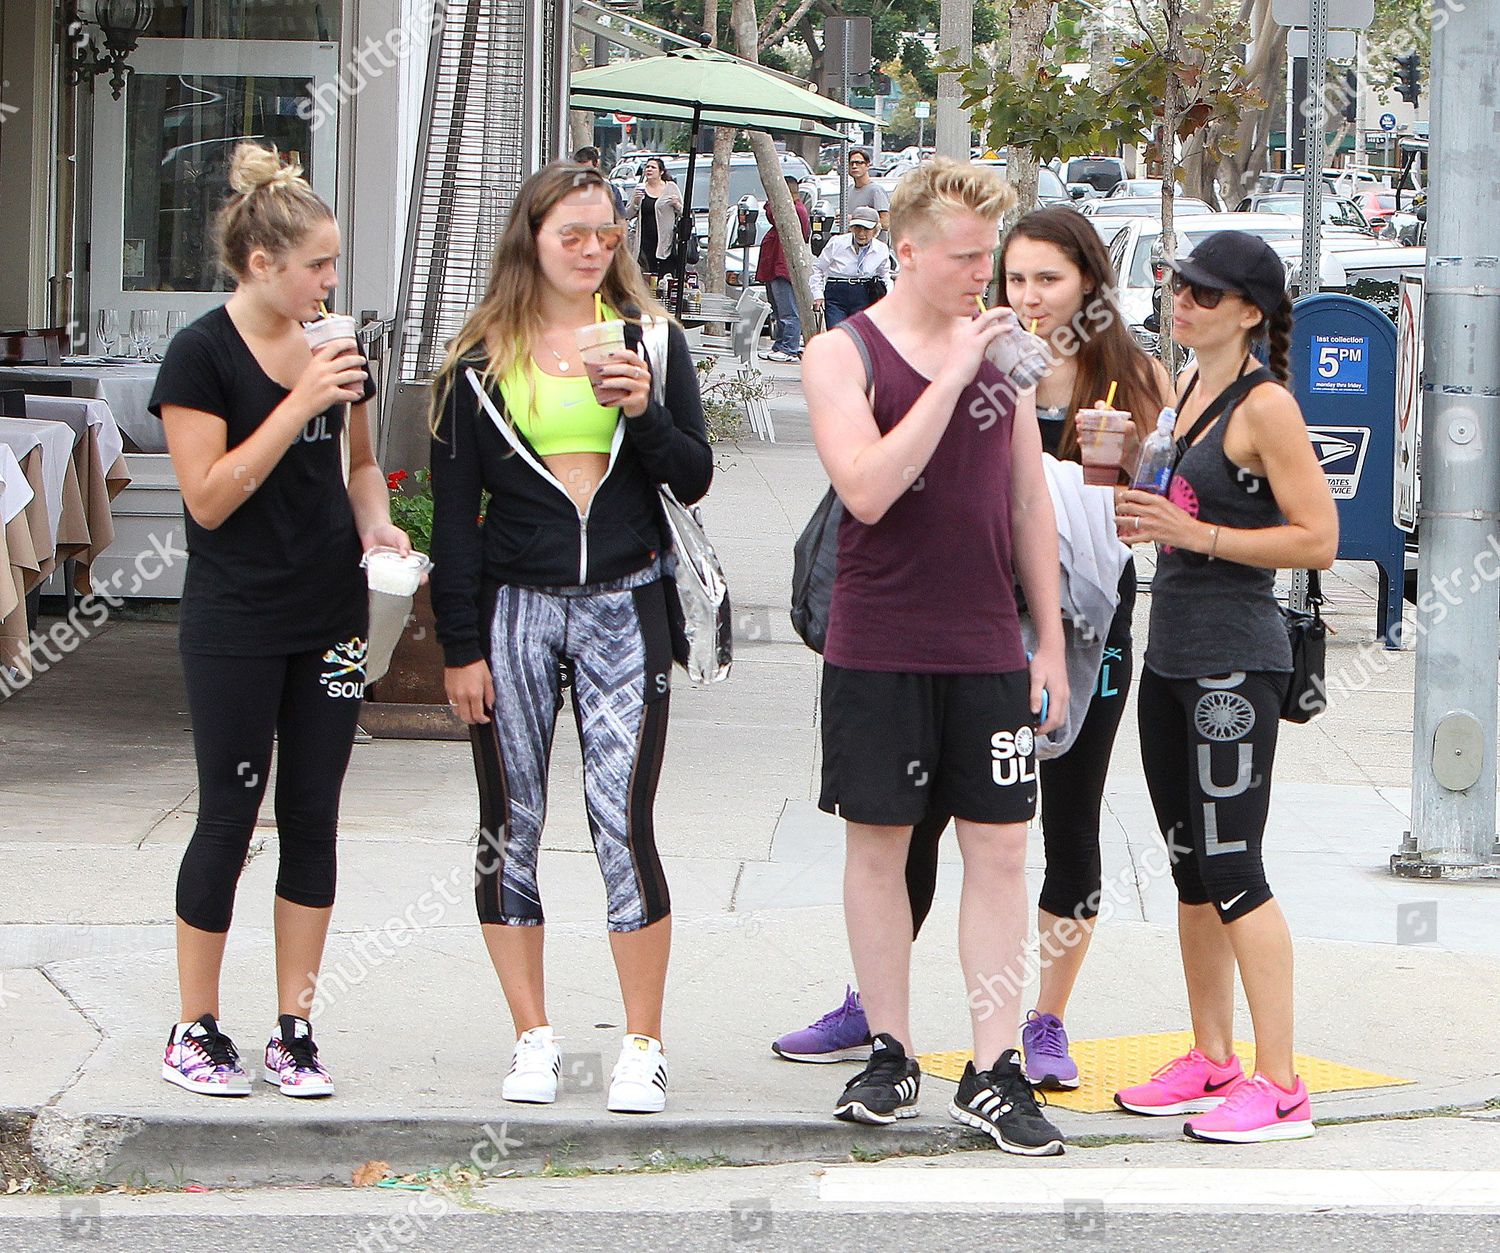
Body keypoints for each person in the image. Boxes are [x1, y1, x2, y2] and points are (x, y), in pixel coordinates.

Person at [774, 206, 1172, 1093]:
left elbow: (1090, 499)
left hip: (1076, 619)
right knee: (897, 833)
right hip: (931, 623)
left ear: (1090, 287)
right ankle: (882, 1020)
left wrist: (1135, 491)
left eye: (1044, 279)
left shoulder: (1125, 373)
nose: (1021, 295)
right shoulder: (940, 352)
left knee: (1044, 831)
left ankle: (1038, 1023)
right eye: (1007, 276)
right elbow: (875, 487)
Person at [428, 162, 712, 1116]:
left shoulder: (656, 343)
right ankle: (532, 1035)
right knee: (508, 823)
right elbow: (454, 521)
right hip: (515, 604)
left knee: (620, 822)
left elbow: (695, 473)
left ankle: (643, 1041)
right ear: (532, 239)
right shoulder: (477, 360)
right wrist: (458, 647)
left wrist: (645, 407)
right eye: (573, 236)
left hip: (626, 601)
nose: (593, 251)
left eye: (607, 234)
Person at [801, 157, 1071, 1156]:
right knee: (879, 844)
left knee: (1000, 846)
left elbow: (1025, 500)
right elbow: (868, 487)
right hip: (877, 641)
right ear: (904, 251)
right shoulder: (844, 353)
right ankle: (889, 1044)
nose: (982, 277)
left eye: (988, 257)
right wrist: (957, 371)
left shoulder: (1006, 350)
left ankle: (994, 1065)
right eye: (964, 258)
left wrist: (1047, 637)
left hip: (982, 641)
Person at [151, 143, 410, 1099]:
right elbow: (210, 497)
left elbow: (356, 466)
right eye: (317, 265)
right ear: (262, 263)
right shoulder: (202, 354)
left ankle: (294, 1026)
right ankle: (195, 1025)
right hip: (236, 618)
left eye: (335, 263)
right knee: (229, 813)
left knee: (312, 815)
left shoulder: (338, 348)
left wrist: (378, 522)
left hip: (333, 618)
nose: (330, 281)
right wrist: (296, 395)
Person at [1112, 231, 1337, 1143]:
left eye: (1205, 293)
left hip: (1235, 662)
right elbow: (1183, 508)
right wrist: (1148, 516)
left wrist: (1195, 536)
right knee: (1190, 869)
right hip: (1169, 655)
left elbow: (1317, 538)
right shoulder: (1186, 387)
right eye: (1177, 287)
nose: (1184, 302)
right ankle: (1212, 1055)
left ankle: (1282, 1085)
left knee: (1236, 866)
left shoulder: (1266, 405)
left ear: (1249, 310)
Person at [755, 175, 812, 363]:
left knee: (788, 310)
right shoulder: (786, 209)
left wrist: (773, 202)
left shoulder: (796, 211)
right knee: (777, 310)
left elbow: (774, 215)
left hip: (784, 266)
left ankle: (790, 347)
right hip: (773, 266)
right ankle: (780, 344)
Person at [810, 206, 892, 330]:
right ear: (852, 228)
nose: (861, 233)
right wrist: (818, 295)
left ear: (875, 230)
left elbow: (884, 275)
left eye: (866, 229)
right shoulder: (837, 243)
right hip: (836, 292)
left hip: (864, 293)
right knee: (837, 333)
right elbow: (818, 269)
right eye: (857, 228)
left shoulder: (881, 249)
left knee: (859, 335)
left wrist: (889, 297)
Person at [624, 157, 684, 281]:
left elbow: (684, 212)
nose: (649, 169)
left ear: (661, 172)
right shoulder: (640, 189)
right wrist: (636, 201)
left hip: (665, 242)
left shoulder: (671, 187)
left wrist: (677, 205)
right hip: (645, 242)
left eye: (653, 167)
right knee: (646, 277)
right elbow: (628, 215)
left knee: (665, 278)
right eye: (647, 167)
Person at [846, 148, 891, 240]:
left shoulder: (876, 191)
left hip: (873, 249)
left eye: (859, 163)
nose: (854, 166)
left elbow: (886, 223)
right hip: (853, 247)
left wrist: (856, 220)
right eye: (851, 163)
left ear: (867, 165)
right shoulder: (849, 190)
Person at [574, 144, 626, 216]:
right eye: (579, 170)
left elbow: (620, 220)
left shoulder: (611, 190)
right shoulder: (568, 191)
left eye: (588, 170)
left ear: (596, 165)